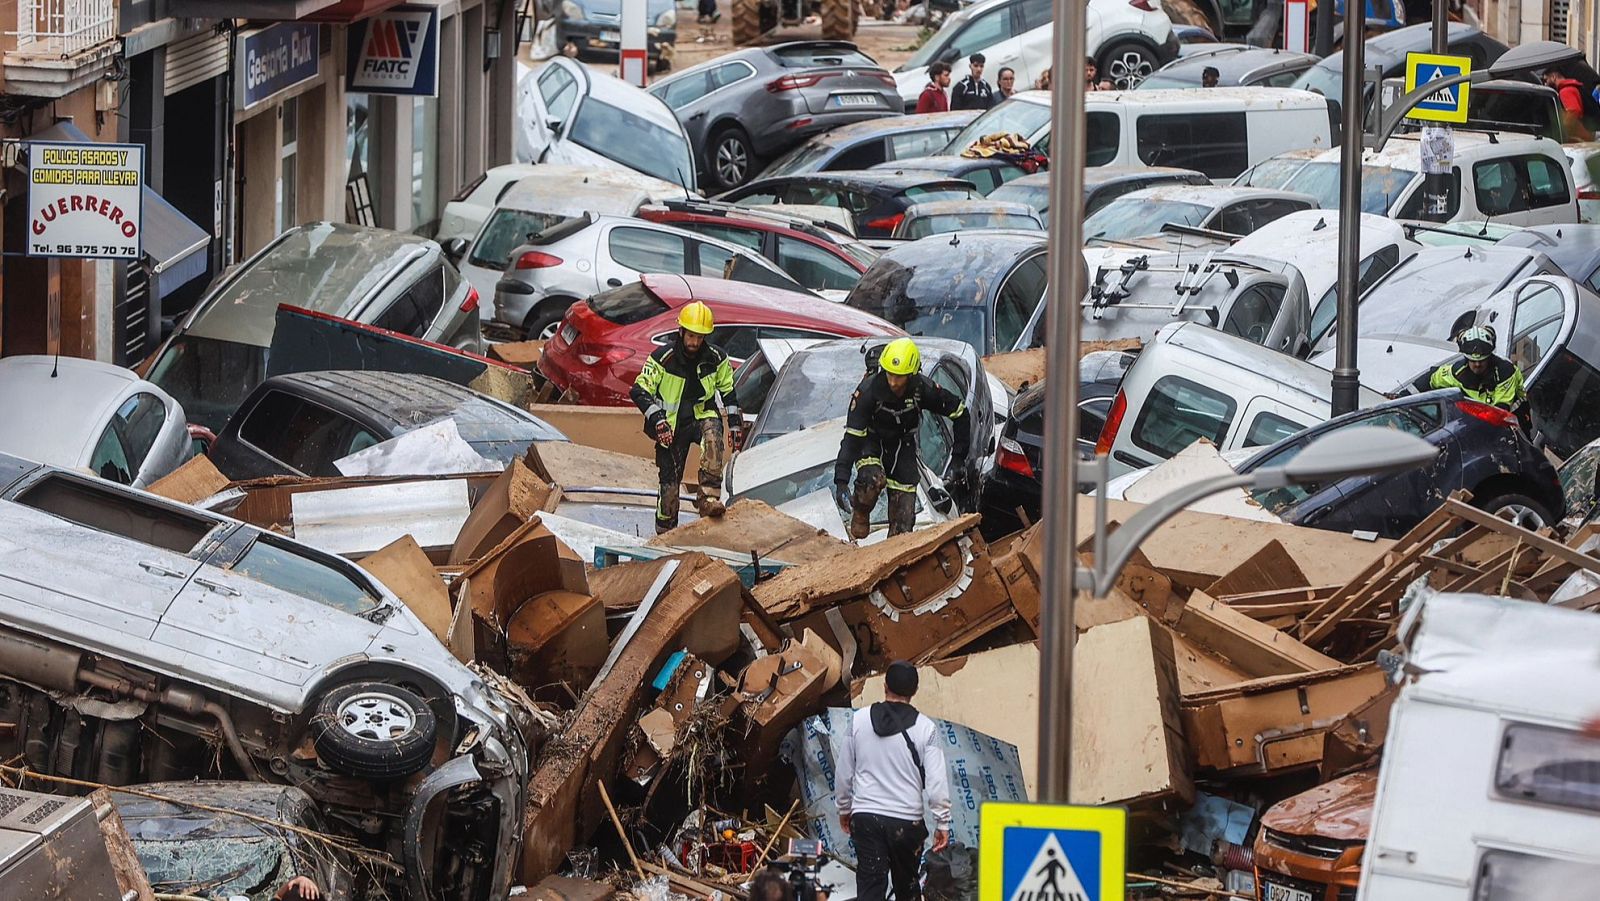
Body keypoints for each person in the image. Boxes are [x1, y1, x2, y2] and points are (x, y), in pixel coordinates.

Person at [835, 661, 950, 901]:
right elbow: (937, 783)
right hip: (906, 823)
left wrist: (844, 809)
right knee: (907, 889)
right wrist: (942, 822)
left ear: (884, 685)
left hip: (866, 819)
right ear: (914, 691)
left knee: (870, 888)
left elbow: (844, 771)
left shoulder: (859, 720)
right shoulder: (926, 729)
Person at [834, 339, 971, 539]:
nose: (893, 382)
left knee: (904, 523)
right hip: (871, 442)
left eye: (900, 377)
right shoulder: (867, 392)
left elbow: (960, 412)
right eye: (890, 374)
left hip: (902, 445)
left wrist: (959, 457)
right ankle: (861, 511)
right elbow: (852, 439)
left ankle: (896, 558)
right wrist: (841, 481)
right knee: (872, 479)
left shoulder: (922, 389)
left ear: (912, 374)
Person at [631, 300, 735, 534]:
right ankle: (665, 531)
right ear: (681, 332)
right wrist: (657, 419)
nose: (695, 342)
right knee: (669, 489)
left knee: (713, 435)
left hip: (700, 416)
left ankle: (708, 499)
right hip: (670, 426)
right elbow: (638, 390)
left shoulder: (716, 358)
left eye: (700, 337)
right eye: (691, 336)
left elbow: (728, 390)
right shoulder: (663, 358)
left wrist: (736, 425)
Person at [1430, 325, 1527, 413]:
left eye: (1482, 360)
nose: (1477, 364)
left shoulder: (1506, 372)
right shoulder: (1456, 373)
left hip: (1513, 417)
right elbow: (1433, 379)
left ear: (1489, 357)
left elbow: (1500, 409)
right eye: (1472, 360)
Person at [1543, 67, 1596, 141]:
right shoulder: (1576, 87)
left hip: (1580, 138)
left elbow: (1573, 111)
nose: (1545, 84)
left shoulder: (1566, 90)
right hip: (1590, 133)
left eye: (1546, 80)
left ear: (1553, 77)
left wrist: (1563, 132)